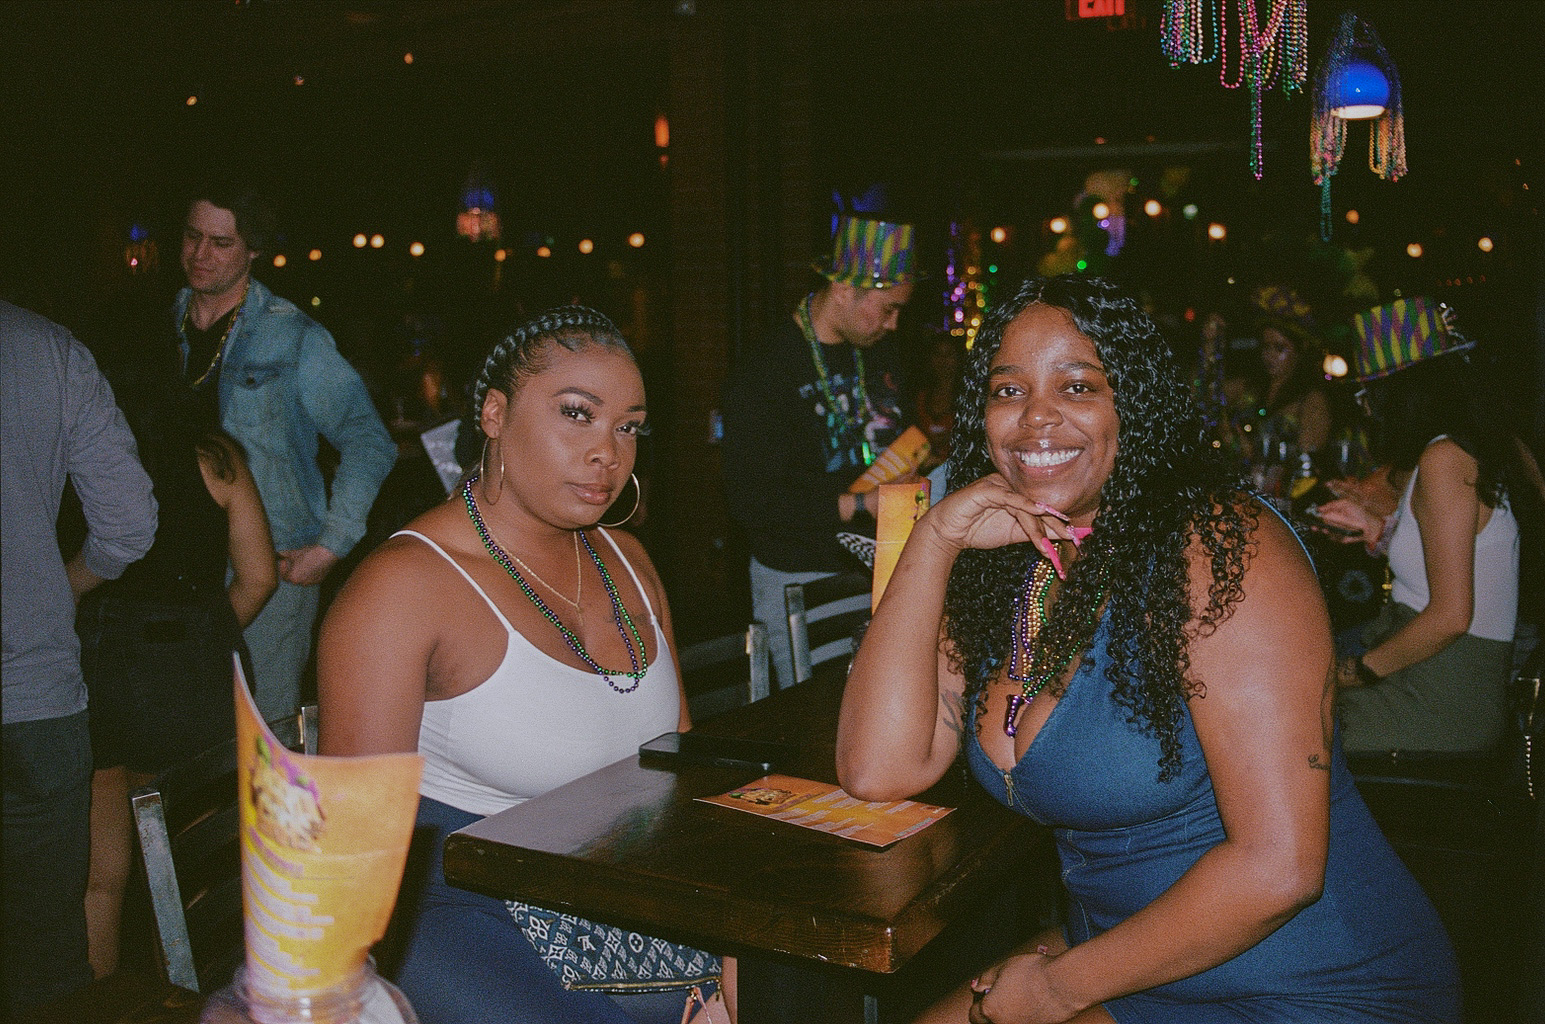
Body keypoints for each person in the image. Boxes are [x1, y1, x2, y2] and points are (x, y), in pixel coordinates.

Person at [835, 276, 1459, 1023]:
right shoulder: (1010, 563)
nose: (1036, 419)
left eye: (1077, 385)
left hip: (1311, 985)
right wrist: (933, 542)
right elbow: (879, 769)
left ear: (1130, 404)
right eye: (1008, 390)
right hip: (1131, 962)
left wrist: (1057, 989)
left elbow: (1280, 868)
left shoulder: (1219, 547)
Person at [317, 307, 731, 1024]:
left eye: (628, 426)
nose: (608, 452)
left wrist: (731, 948)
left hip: (624, 890)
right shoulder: (404, 586)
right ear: (494, 413)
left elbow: (680, 776)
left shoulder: (628, 562)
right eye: (577, 414)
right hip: (455, 907)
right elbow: (350, 852)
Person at [175, 183, 396, 720]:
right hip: (180, 566)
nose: (201, 254)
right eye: (192, 236)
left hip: (272, 568)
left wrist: (331, 546)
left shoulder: (292, 336)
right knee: (183, 741)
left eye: (221, 243)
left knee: (262, 740)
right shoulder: (158, 327)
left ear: (253, 250)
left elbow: (369, 440)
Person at [78, 384, 277, 978]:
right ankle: (199, 999)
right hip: (196, 674)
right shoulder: (216, 459)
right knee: (199, 869)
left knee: (100, 879)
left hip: (102, 662)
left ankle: (106, 1007)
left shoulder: (75, 452)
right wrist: (202, 635)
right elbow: (260, 576)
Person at [2, 300, 158, 1015]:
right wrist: (52, 589)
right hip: (33, 694)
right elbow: (128, 526)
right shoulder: (47, 349)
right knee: (45, 959)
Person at [1313, 298, 1521, 754]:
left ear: (1404, 391)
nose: (1365, 409)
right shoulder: (1444, 453)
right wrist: (1378, 530)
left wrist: (1355, 671)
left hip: (1441, 696)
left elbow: (1450, 617)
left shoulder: (1445, 460)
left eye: (1370, 394)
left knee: (1278, 727)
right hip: (1427, 673)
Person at [722, 214, 917, 688]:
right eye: (887, 309)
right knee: (826, 719)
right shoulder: (766, 369)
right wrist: (857, 505)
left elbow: (888, 435)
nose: (894, 324)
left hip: (880, 570)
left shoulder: (874, 349)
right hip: (799, 580)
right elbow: (750, 502)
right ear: (845, 290)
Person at [1239, 285, 1333, 471]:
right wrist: (1211, 345)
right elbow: (1205, 391)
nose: (1269, 355)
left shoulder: (1312, 400)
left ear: (1299, 351)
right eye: (1266, 347)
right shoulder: (1251, 388)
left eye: (1279, 348)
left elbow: (1307, 462)